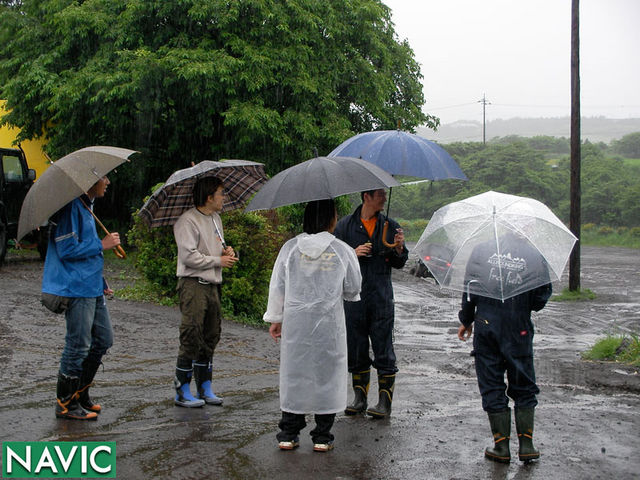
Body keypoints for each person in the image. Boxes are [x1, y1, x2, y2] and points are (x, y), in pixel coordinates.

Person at [265, 199, 361, 452]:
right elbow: (353, 289)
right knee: (327, 374)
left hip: (297, 324)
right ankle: (322, 435)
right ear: (331, 219)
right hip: (329, 325)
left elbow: (278, 286)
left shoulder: (290, 248)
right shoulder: (342, 250)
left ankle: (288, 432)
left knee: (295, 372)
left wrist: (276, 317)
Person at [457, 234, 552, 464]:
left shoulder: (480, 251)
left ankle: (501, 447)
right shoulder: (535, 256)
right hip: (518, 328)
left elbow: (470, 290)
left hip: (486, 326)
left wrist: (466, 319)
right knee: (523, 383)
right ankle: (527, 444)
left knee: (492, 383)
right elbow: (540, 299)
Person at [43, 175, 120, 420]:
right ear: (91, 181)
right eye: (104, 178)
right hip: (76, 289)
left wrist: (100, 281)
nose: (107, 182)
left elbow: (85, 250)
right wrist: (102, 244)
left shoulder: (87, 206)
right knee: (77, 345)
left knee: (103, 339)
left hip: (92, 287)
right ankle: (65, 403)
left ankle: (80, 392)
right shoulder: (71, 207)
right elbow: (66, 249)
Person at [333, 189, 408, 418]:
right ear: (366, 197)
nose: (384, 198)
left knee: (383, 347)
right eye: (379, 195)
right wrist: (352, 254)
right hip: (353, 296)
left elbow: (400, 263)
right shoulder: (345, 226)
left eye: (385, 195)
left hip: (381, 295)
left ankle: (384, 403)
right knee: (356, 347)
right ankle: (359, 399)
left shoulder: (391, 226)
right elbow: (333, 259)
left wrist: (398, 248)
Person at [172, 176, 238, 407]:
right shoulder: (187, 221)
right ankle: (182, 389)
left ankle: (204, 386)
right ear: (209, 197)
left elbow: (215, 248)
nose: (223, 198)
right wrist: (217, 260)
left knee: (211, 333)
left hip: (212, 284)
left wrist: (226, 251)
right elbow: (188, 256)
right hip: (193, 284)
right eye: (220, 193)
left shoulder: (216, 219)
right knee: (192, 333)